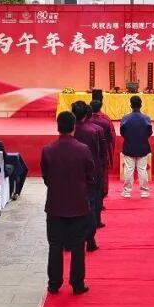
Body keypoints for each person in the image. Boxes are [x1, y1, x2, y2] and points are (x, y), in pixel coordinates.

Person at [41, 112, 94, 295]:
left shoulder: (48, 150)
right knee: (78, 245)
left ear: (58, 126)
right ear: (73, 127)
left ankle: (54, 283)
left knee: (55, 245)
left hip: (55, 204)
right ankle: (77, 283)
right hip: (78, 204)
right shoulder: (83, 150)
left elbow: (46, 177)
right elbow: (90, 177)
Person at [72, 101, 105, 251]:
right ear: (87, 114)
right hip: (91, 171)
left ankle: (69, 240)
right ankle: (90, 239)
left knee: (70, 204)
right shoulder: (95, 130)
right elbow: (100, 153)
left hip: (72, 171)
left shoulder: (69, 129)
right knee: (91, 203)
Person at [119, 96, 152, 198]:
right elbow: (149, 133)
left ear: (131, 105)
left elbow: (122, 133)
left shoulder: (125, 118)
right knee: (142, 170)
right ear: (141, 105)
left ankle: (127, 191)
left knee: (129, 169)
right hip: (142, 146)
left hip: (129, 146)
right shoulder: (146, 118)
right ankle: (145, 192)